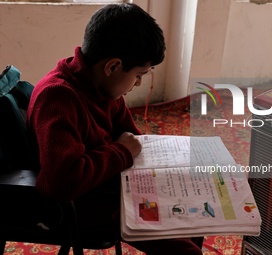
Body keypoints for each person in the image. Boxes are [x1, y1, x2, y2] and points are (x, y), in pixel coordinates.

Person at [26, 3, 203, 255]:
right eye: (140, 75)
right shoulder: (58, 97)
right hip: (83, 205)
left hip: (110, 187)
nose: (139, 83)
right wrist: (121, 152)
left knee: (196, 216)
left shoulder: (105, 88)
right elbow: (61, 183)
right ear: (113, 66)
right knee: (187, 251)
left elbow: (133, 140)